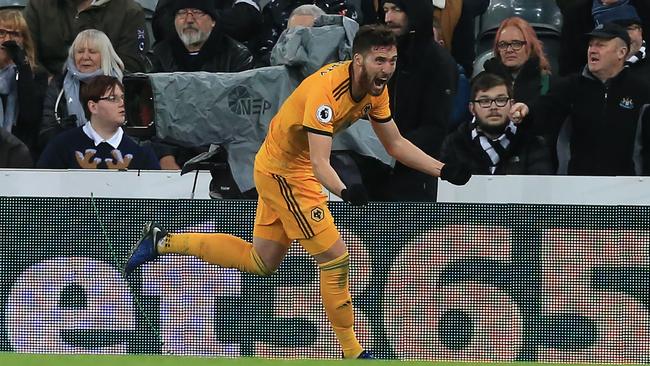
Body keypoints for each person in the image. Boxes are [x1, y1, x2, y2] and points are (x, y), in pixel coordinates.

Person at [124, 25, 473, 359]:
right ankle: (354, 352)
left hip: (286, 168)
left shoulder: (375, 92)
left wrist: (443, 169)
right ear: (359, 60)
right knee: (336, 258)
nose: (388, 69)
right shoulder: (327, 93)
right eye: (379, 61)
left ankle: (162, 242)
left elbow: (395, 144)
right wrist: (345, 190)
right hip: (285, 172)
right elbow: (322, 164)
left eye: (392, 61)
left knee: (259, 262)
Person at [528, 22, 650, 175]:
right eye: (591, 45)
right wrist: (527, 111)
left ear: (621, 52)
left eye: (600, 45)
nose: (592, 50)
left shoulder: (641, 91)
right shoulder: (570, 86)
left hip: (628, 188)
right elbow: (543, 112)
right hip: (576, 186)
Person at [381, 0, 458, 201]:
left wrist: (390, 150)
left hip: (415, 176)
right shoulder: (383, 59)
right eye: (386, 10)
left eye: (397, 10)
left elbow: (434, 128)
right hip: (376, 172)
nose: (388, 18)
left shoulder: (438, 63)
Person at [37, 75, 160, 170]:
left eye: (122, 97)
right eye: (113, 98)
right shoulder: (62, 145)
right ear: (93, 107)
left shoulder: (141, 150)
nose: (122, 103)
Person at [441, 72, 553, 175]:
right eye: (484, 101)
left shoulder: (533, 144)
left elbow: (540, 193)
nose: (493, 107)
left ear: (512, 104)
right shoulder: (454, 144)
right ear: (472, 109)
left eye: (500, 100)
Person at [39, 29, 125, 150]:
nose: (85, 57)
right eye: (79, 52)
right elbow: (45, 134)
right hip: (70, 152)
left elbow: (136, 133)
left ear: (105, 55)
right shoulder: (59, 85)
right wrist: (61, 131)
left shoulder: (125, 84)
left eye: (92, 52)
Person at [24, 0, 149, 75]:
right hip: (47, 91)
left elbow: (131, 67)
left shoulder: (130, 12)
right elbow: (27, 54)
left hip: (107, 93)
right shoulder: (39, 5)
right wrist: (49, 83)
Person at [149, 0, 254, 72]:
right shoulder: (158, 56)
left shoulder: (237, 57)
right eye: (182, 13)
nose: (189, 20)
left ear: (213, 21)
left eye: (197, 12)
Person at [0, 9, 48, 154]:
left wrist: (23, 67)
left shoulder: (36, 74)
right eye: (1, 32)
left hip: (19, 152)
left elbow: (30, 116)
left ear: (24, 40)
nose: (7, 39)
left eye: (15, 34)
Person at [483, 17, 553, 109]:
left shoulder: (548, 83)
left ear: (530, 47)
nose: (509, 50)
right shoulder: (483, 80)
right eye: (503, 45)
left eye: (516, 44)